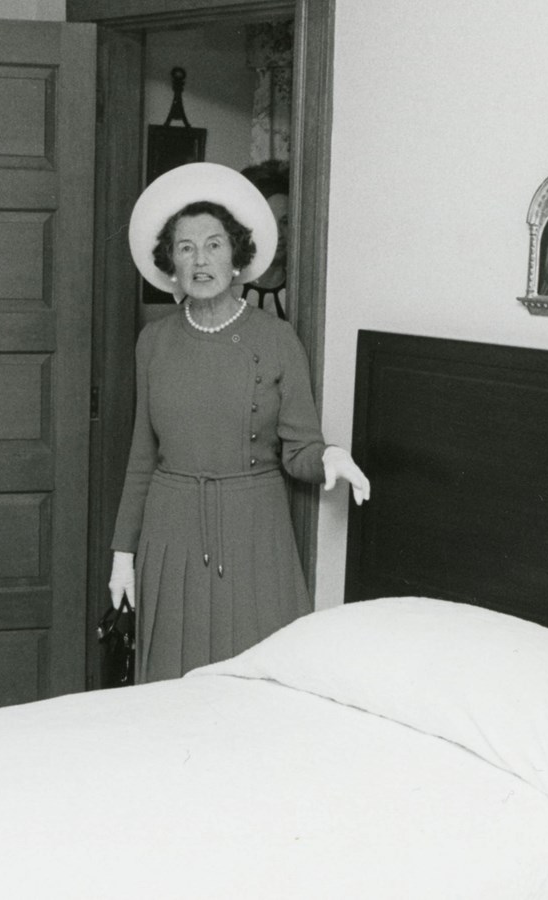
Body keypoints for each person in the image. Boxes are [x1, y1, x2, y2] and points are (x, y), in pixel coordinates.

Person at [109, 162, 369, 683]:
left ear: (237, 257)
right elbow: (142, 456)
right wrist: (122, 555)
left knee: (258, 683)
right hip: (171, 532)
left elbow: (300, 448)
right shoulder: (153, 342)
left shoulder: (276, 339)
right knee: (172, 686)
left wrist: (331, 457)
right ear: (170, 263)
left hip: (254, 531)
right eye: (185, 248)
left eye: (214, 245)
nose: (200, 259)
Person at [239, 159, 291, 321]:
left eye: (285, 222)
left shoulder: (302, 292)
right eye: (267, 222)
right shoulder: (221, 290)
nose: (278, 234)